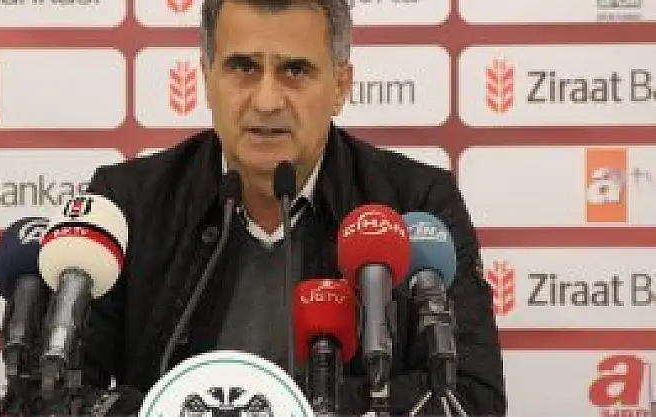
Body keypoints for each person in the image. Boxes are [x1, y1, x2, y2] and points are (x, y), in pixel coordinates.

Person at [78, 0, 508, 414]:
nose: (267, 101)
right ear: (206, 78)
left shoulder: (417, 205)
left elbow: (470, 397)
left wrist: (282, 407)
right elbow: (52, 392)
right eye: (243, 68)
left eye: (295, 70)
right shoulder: (126, 204)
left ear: (341, 85)